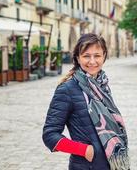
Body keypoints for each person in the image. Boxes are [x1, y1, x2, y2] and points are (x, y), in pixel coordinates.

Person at [42, 33, 130, 170]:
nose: (92, 61)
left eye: (97, 55)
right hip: (86, 166)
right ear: (78, 58)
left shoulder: (102, 85)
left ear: (104, 56)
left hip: (111, 165)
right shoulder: (67, 89)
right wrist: (85, 150)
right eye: (86, 56)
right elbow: (49, 135)